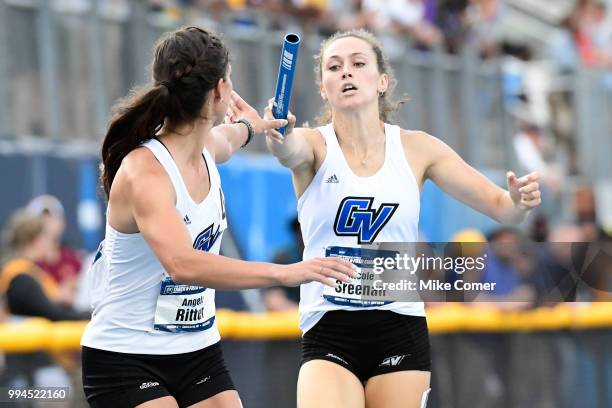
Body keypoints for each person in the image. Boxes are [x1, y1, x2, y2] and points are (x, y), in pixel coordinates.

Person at [259, 28, 542, 408]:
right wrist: (279, 137)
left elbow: (501, 207)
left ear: (381, 81)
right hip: (329, 329)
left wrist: (518, 201)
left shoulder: (417, 148)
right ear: (323, 87)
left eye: (358, 64)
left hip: (399, 327)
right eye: (334, 66)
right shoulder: (313, 145)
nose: (346, 73)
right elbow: (287, 150)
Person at [80, 26, 356, 408]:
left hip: (197, 351)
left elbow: (232, 137)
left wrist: (255, 126)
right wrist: (286, 272)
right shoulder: (145, 172)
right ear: (220, 90)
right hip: (127, 357)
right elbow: (182, 264)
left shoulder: (208, 147)